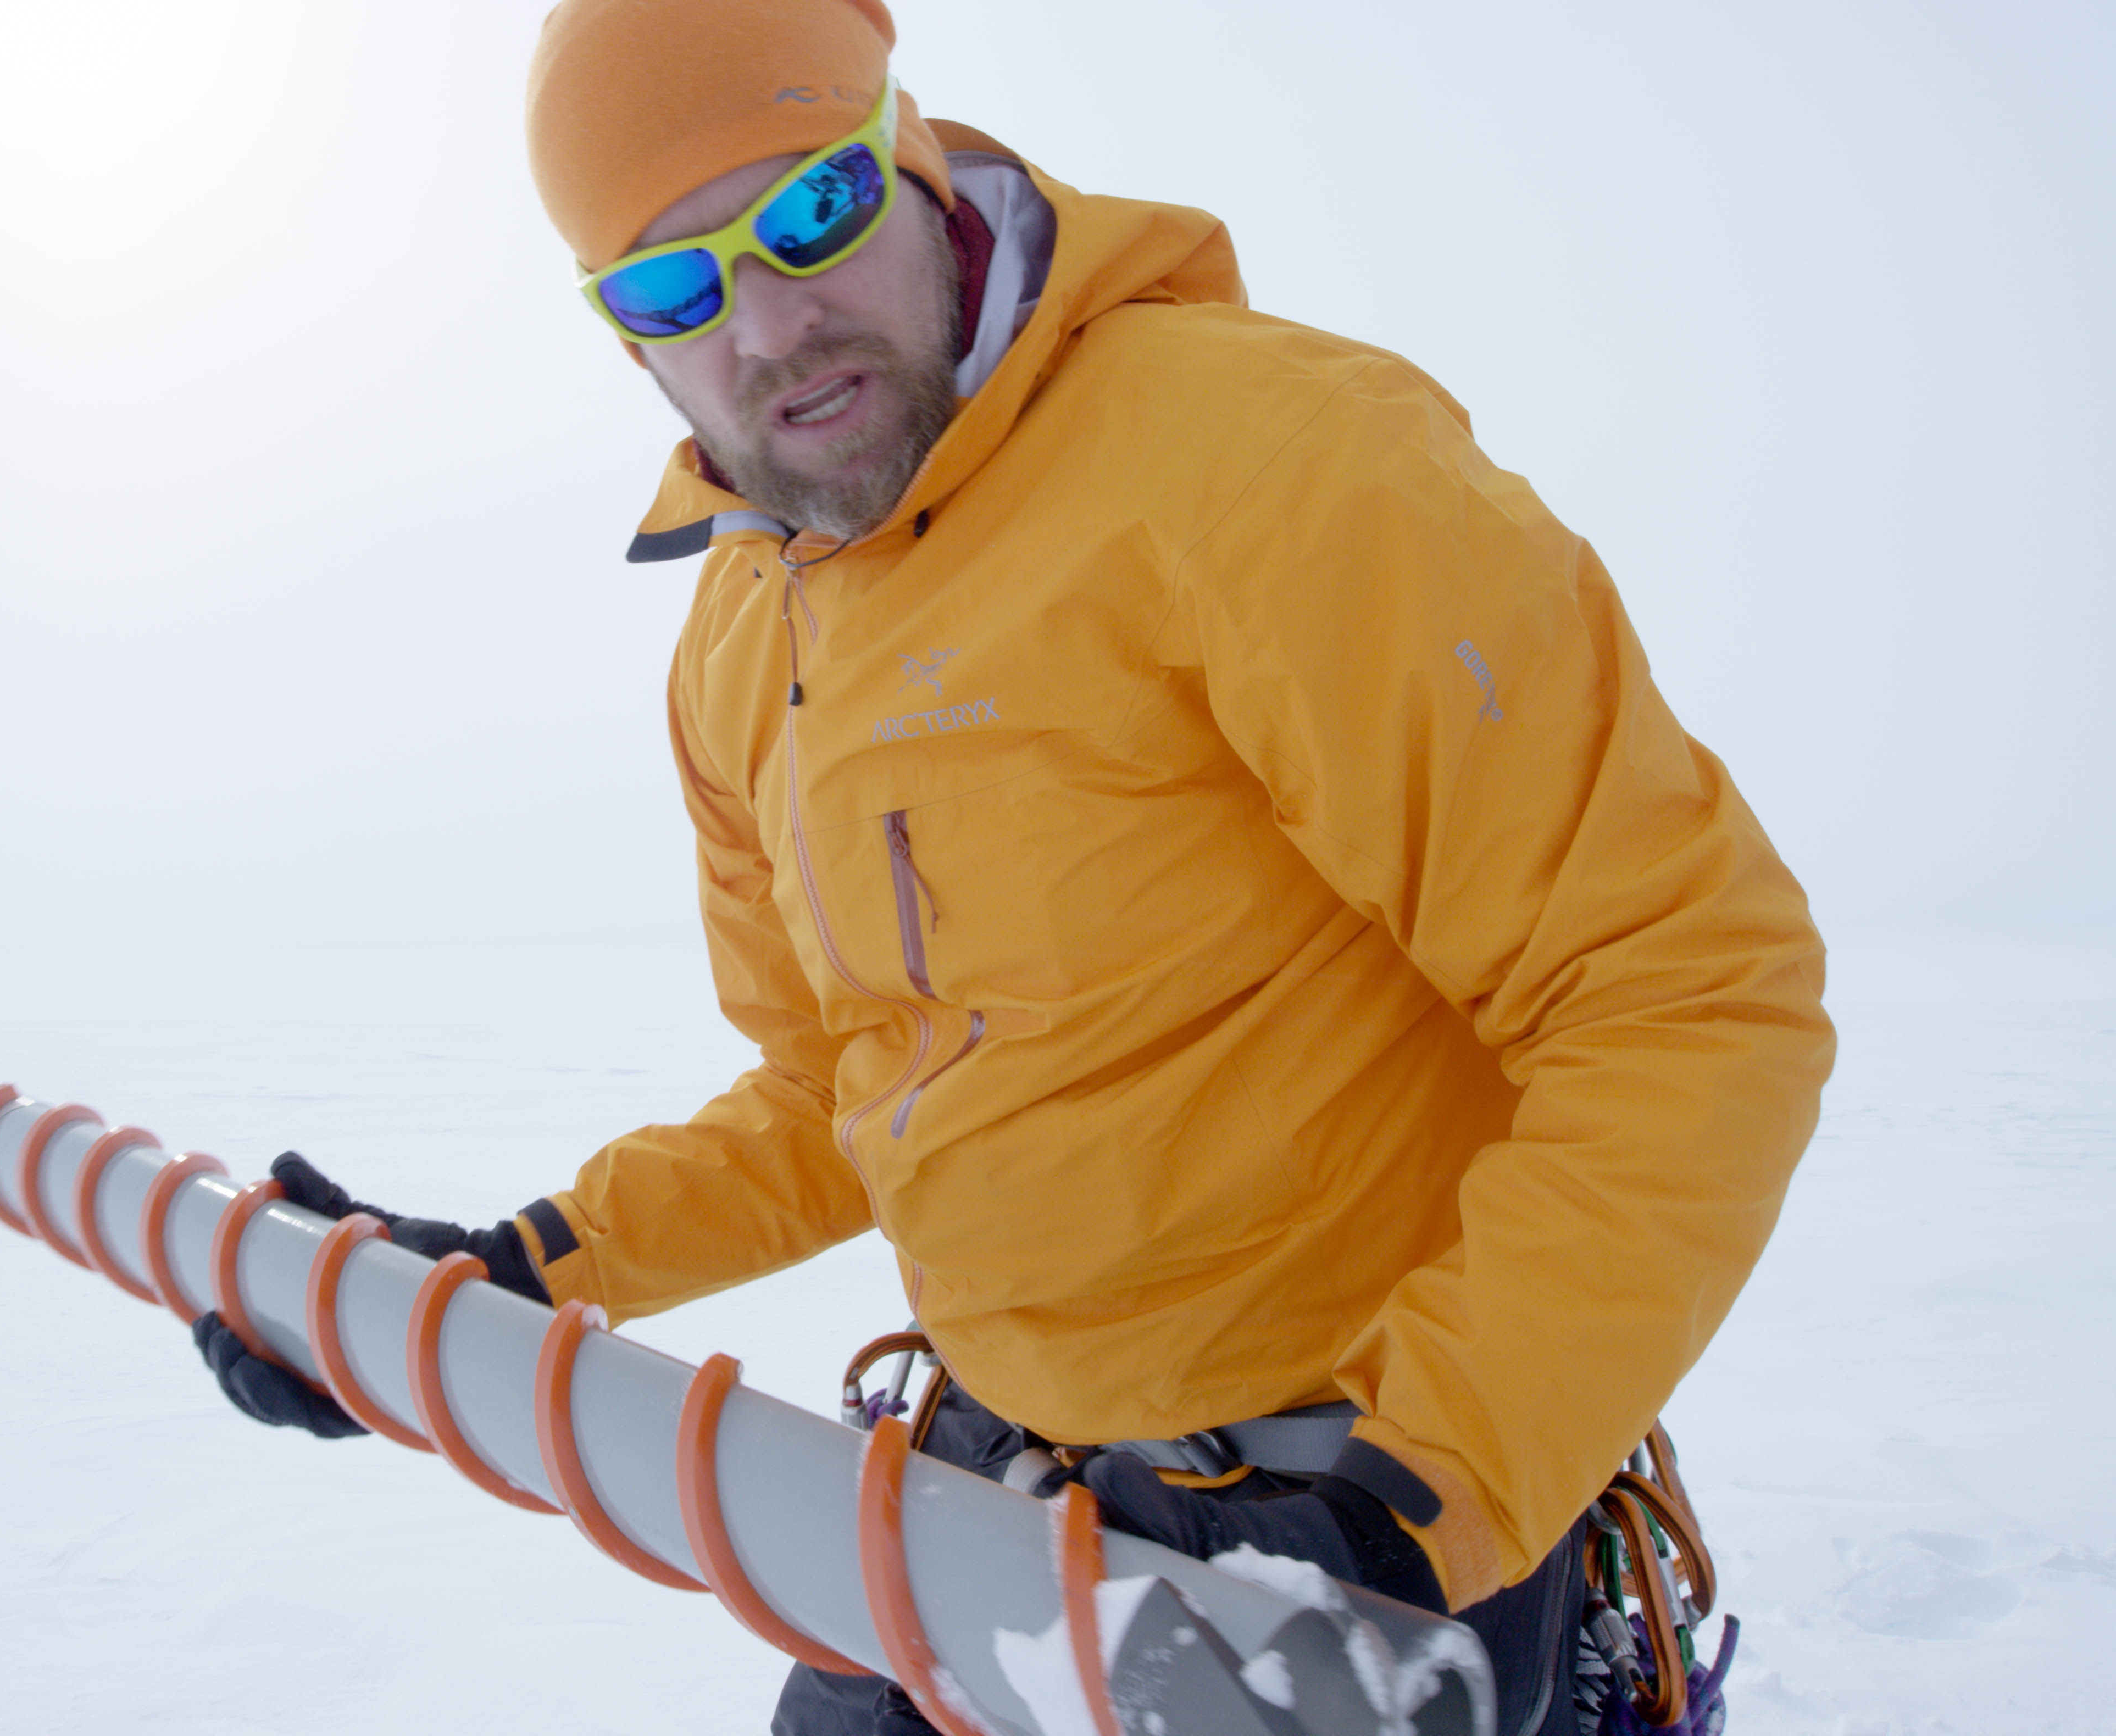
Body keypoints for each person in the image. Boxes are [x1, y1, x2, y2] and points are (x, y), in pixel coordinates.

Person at [195, 2, 1836, 1731]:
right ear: (630, 348)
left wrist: (1401, 1511)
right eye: (674, 290)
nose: (769, 325)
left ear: (912, 156)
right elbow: (844, 1092)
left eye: (809, 214)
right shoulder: (743, 637)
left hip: (1367, 1521)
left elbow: (1684, 995)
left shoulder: (1265, 461)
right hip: (980, 1502)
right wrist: (520, 1265)